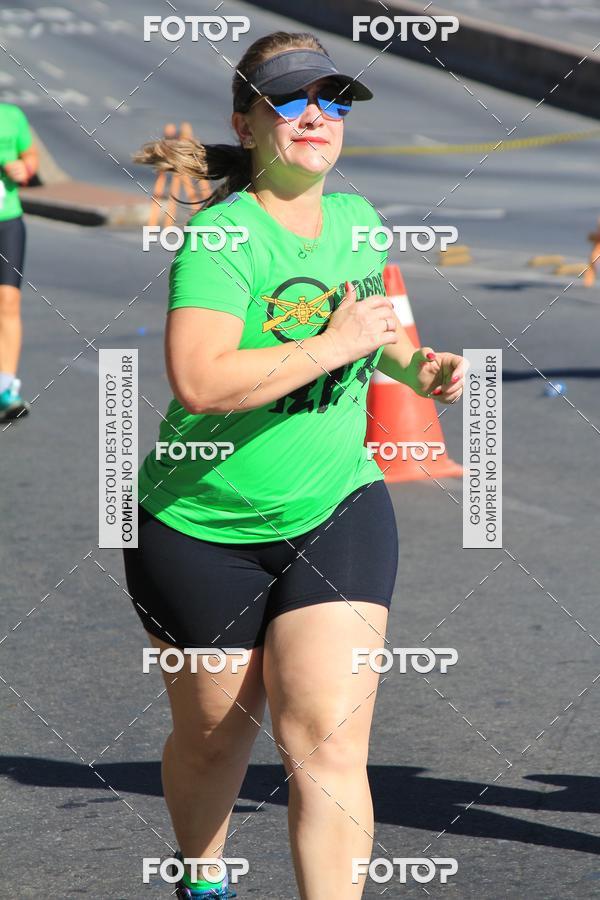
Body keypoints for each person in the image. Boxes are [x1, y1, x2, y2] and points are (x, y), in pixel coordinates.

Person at [124, 30, 468, 900]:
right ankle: (201, 875)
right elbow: (199, 381)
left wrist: (414, 368)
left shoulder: (357, 221)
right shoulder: (222, 236)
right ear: (247, 122)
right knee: (215, 737)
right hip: (202, 526)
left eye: (334, 99)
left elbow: (375, 331)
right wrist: (335, 342)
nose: (317, 114)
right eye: (290, 99)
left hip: (334, 505)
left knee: (328, 742)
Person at [0, 103, 38, 422]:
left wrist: (24, 170)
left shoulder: (12, 116)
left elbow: (30, 157)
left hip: (7, 221)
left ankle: (6, 389)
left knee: (9, 301)